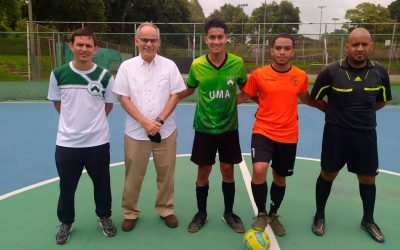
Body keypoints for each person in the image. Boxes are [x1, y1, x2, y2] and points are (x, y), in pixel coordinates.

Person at [309, 27, 391, 243]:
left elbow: (381, 101)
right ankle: (319, 215)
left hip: (365, 135)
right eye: (355, 44)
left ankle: (368, 220)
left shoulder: (380, 72)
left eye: (365, 44)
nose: (360, 48)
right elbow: (315, 99)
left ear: (371, 46)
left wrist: (361, 114)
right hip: (336, 134)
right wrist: (335, 113)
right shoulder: (331, 71)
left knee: (367, 178)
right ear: (346, 46)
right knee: (328, 174)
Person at [113, 22, 186, 232]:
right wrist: (145, 122)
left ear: (159, 42)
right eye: (144, 39)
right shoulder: (127, 67)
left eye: (153, 40)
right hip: (136, 133)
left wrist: (159, 121)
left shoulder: (169, 66)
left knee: (166, 173)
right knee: (133, 175)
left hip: (166, 131)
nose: (148, 44)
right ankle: (130, 212)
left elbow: (175, 95)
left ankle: (165, 209)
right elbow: (123, 98)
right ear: (136, 41)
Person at [47, 27, 117, 245]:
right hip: (67, 143)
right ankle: (66, 222)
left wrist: (91, 125)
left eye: (88, 45)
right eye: (80, 45)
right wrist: (74, 124)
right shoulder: (58, 74)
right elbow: (59, 105)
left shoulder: (105, 76)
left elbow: (107, 106)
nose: (84, 49)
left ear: (95, 49)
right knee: (67, 186)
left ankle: (104, 216)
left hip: (97, 142)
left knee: (102, 184)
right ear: (72, 46)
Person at [178, 18, 247, 234]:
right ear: (206, 39)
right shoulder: (197, 65)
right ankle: (201, 214)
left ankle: (229, 213)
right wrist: (168, 98)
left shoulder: (237, 63)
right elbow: (189, 90)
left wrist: (232, 102)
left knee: (228, 170)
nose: (216, 41)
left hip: (228, 129)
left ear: (226, 38)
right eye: (212, 37)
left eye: (220, 37)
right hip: (204, 128)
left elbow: (247, 89)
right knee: (204, 171)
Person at [237, 33, 310, 236]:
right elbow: (246, 94)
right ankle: (261, 213)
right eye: (278, 48)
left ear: (292, 51)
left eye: (287, 48)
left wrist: (331, 108)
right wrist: (221, 104)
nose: (282, 52)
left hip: (288, 134)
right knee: (259, 169)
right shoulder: (259, 75)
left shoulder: (301, 76)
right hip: (263, 130)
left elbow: (306, 98)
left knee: (280, 177)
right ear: (271, 50)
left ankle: (273, 213)